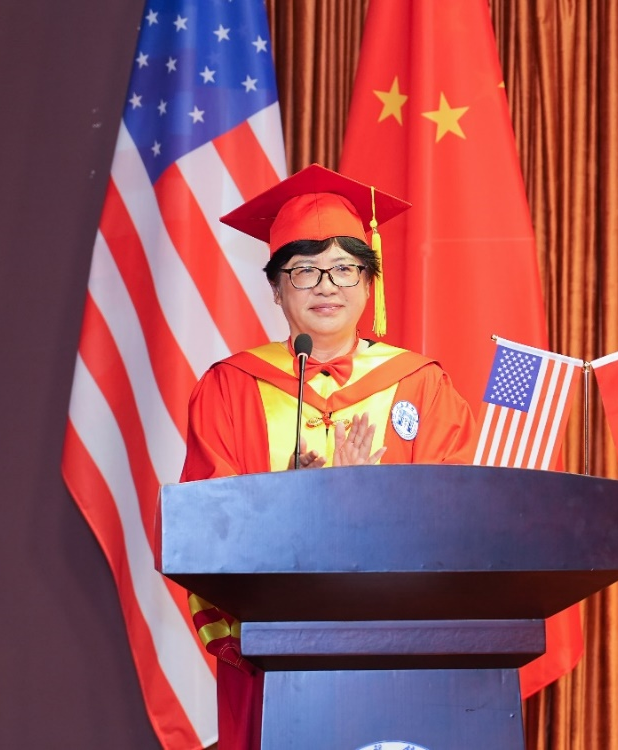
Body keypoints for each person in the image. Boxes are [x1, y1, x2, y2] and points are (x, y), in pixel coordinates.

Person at [179, 164, 478, 750]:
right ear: (276, 288)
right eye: (304, 270)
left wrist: (366, 499)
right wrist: (287, 504)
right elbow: (203, 524)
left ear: (369, 284)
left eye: (345, 268)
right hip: (273, 658)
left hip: (404, 655)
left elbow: (457, 519)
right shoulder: (229, 388)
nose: (326, 286)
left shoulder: (422, 385)